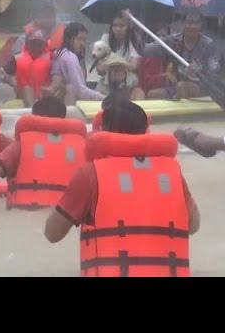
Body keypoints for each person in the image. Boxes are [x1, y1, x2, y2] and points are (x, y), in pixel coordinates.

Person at [44, 99, 200, 277]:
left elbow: (52, 233)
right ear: (144, 132)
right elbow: (194, 226)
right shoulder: (172, 172)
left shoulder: (89, 173)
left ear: (104, 131)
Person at [0, 96, 87, 209]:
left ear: (34, 118)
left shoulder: (21, 146)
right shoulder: (82, 148)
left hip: (24, 212)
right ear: (63, 119)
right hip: (64, 217)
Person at [161, 12, 221, 99]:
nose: (191, 26)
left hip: (202, 87)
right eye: (188, 22)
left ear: (201, 25)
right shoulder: (173, 41)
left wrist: (201, 71)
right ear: (183, 24)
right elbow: (153, 50)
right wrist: (169, 73)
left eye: (195, 23)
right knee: (153, 94)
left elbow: (215, 75)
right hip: (176, 83)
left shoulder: (209, 46)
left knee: (182, 87)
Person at [45, 22, 104, 105]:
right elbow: (80, 90)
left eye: (84, 40)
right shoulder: (70, 57)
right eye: (79, 39)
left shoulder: (58, 52)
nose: (82, 43)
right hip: (69, 104)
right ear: (69, 39)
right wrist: (103, 98)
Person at [95, 9, 141, 92]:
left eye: (122, 25)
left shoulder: (133, 41)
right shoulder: (105, 39)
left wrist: (113, 63)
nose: (118, 29)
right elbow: (100, 70)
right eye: (115, 25)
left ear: (128, 27)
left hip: (128, 85)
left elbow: (134, 66)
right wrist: (120, 64)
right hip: (107, 85)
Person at [14, 29, 52, 107]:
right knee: (27, 88)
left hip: (44, 94)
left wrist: (51, 88)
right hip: (24, 96)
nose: (36, 46)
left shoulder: (52, 59)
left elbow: (57, 78)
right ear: (27, 44)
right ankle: (32, 111)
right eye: (33, 42)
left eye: (39, 43)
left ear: (44, 44)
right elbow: (7, 76)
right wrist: (11, 80)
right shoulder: (16, 59)